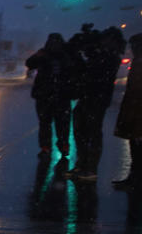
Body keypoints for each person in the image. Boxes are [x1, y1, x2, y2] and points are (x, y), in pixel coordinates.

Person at [69, 26, 125, 181]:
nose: (103, 42)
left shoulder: (111, 57)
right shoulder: (100, 54)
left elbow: (98, 71)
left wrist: (90, 51)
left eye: (107, 39)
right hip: (87, 96)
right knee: (80, 132)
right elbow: (85, 69)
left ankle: (90, 168)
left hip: (97, 98)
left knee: (92, 133)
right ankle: (82, 164)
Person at [25, 33, 76, 158]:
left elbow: (73, 71)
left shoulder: (65, 56)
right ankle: (49, 147)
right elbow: (30, 62)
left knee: (58, 124)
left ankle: (58, 146)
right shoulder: (45, 55)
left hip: (59, 96)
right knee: (48, 123)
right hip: (47, 95)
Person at [113, 34, 142, 190]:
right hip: (134, 112)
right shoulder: (137, 62)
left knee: (137, 148)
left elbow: (136, 91)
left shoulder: (139, 63)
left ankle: (135, 179)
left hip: (136, 113)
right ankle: (135, 178)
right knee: (136, 148)